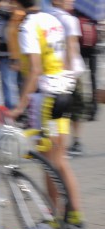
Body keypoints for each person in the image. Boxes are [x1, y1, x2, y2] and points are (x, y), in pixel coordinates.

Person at [7, 0, 84, 229]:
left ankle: (53, 220)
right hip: (63, 92)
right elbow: (66, 57)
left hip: (45, 98)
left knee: (48, 163)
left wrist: (19, 107)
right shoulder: (52, 19)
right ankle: (74, 216)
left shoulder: (28, 26)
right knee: (60, 160)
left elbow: (35, 69)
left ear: (16, 4)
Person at [49, 0, 88, 157]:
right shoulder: (70, 20)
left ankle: (53, 143)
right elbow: (71, 45)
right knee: (75, 108)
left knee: (53, 110)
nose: (72, 1)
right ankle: (75, 142)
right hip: (70, 72)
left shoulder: (46, 17)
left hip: (51, 70)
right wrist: (70, 71)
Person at [0, 0, 18, 109]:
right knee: (20, 85)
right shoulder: (20, 12)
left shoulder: (0, 15)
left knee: (8, 85)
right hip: (22, 54)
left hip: (6, 55)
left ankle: (11, 112)